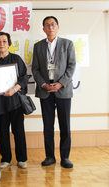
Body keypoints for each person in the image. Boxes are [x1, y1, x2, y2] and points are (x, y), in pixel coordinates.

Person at [32, 16, 76, 168]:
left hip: (62, 90)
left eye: (53, 24)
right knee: (48, 126)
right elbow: (35, 69)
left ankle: (65, 157)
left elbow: (71, 66)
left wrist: (60, 83)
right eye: (47, 25)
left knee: (65, 125)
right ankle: (50, 156)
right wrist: (43, 84)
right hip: (46, 91)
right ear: (43, 29)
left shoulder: (67, 44)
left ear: (58, 27)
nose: (50, 27)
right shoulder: (38, 47)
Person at [0, 32, 28, 169]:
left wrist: (14, 89)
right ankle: (6, 158)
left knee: (19, 131)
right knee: (2, 132)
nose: (2, 44)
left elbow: (24, 78)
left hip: (15, 102)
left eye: (4, 41)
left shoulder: (16, 59)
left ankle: (21, 159)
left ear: (9, 44)